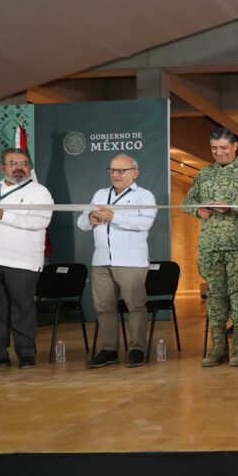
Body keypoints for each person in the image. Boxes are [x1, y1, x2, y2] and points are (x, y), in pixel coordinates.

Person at [183, 128, 238, 367]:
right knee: (215, 295)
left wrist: (232, 206)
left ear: (235, 146)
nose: (218, 153)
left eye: (223, 148)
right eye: (214, 149)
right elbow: (187, 202)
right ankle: (218, 347)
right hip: (210, 244)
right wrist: (196, 209)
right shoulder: (204, 173)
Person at [0, 148, 54, 371]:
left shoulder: (39, 191)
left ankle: (26, 354)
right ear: (2, 167)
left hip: (21, 260)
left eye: (24, 163)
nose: (19, 167)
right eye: (12, 163)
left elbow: (40, 221)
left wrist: (1, 214)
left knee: (22, 308)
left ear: (30, 168)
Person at [78, 153, 157, 368]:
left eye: (121, 170)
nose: (116, 174)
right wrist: (89, 218)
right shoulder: (100, 194)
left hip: (131, 261)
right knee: (104, 307)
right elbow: (81, 223)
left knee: (135, 306)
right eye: (112, 170)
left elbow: (144, 223)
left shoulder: (144, 196)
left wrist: (114, 217)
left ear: (135, 173)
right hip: (102, 260)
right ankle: (109, 349)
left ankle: (137, 349)